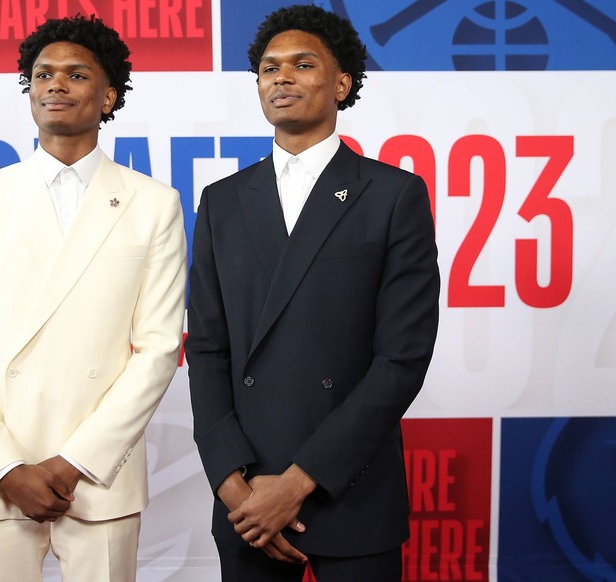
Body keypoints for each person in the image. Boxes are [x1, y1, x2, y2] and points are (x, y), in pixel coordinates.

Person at [186, 5, 439, 581]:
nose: (282, 77)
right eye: (269, 68)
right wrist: (232, 483)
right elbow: (205, 349)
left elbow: (401, 359)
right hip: (246, 498)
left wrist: (298, 484)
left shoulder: (392, 195)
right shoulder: (222, 201)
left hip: (351, 491)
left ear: (342, 82)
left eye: (303, 64)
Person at [0, 15, 187, 581]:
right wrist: (4, 465)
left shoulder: (153, 203)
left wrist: (76, 462)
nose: (55, 85)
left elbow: (158, 349)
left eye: (75, 74)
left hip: (98, 478)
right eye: (42, 74)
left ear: (108, 95)